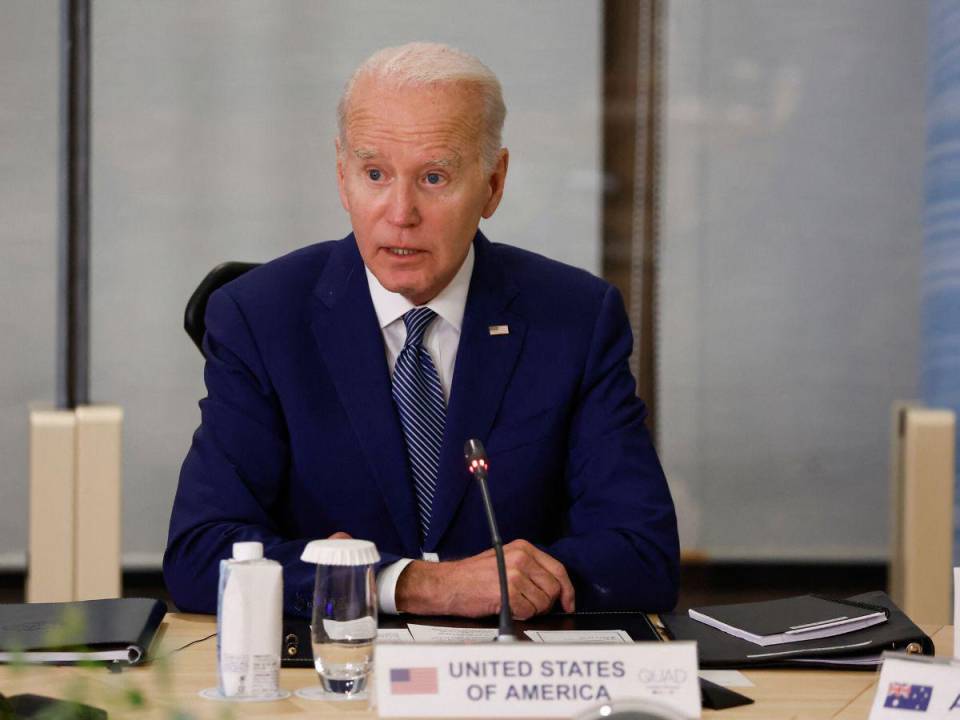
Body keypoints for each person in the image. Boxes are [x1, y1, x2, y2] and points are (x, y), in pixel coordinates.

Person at [163, 42, 679, 620]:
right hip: (331, 678)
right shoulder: (258, 317)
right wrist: (414, 585)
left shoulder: (576, 319)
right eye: (375, 173)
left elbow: (641, 556)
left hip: (507, 680)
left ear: (493, 183)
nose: (400, 211)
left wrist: (522, 584)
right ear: (342, 176)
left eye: (434, 177)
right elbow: (200, 555)